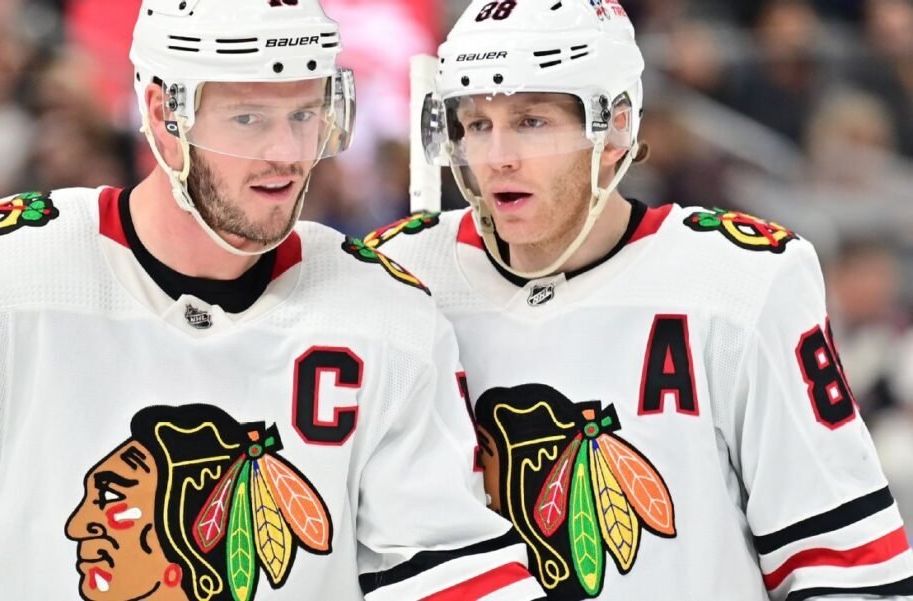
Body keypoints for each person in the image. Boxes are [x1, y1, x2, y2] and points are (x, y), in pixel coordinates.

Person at [0, 2, 546, 599]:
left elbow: (453, 579)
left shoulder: (387, 316)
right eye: (248, 118)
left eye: (305, 113)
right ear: (162, 114)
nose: (286, 153)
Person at [370, 0, 913, 598]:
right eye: (477, 125)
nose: (498, 157)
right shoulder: (394, 279)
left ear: (615, 128)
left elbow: (847, 569)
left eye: (531, 122)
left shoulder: (740, 280)